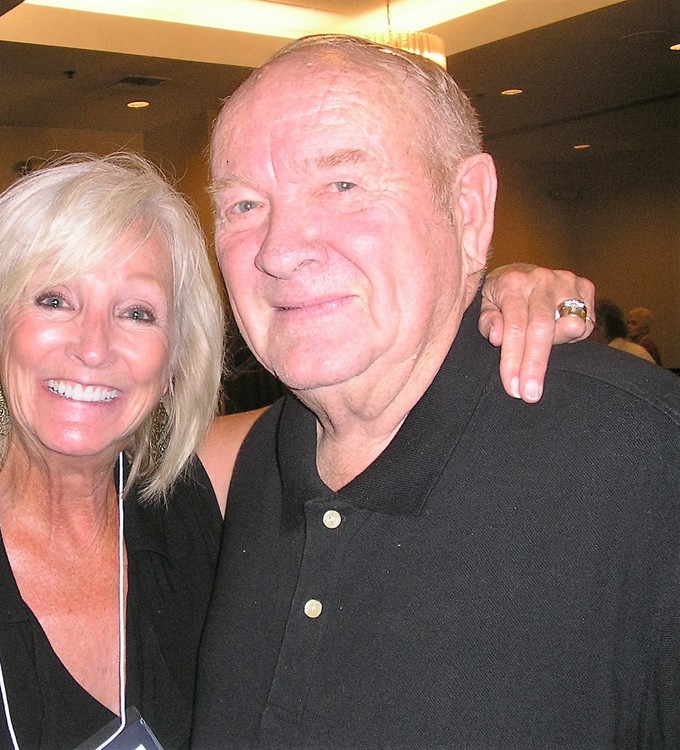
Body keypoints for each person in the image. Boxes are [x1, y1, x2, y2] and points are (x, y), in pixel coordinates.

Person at [0, 156, 592, 750]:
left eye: (137, 312)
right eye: (54, 300)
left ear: (174, 358)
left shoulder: (215, 483)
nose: (94, 347)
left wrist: (494, 296)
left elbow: (387, 391)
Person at [191, 35, 680, 749]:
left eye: (343, 184)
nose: (279, 249)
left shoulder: (642, 456)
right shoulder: (250, 469)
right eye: (242, 204)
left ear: (469, 209)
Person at [595, 299, 657, 363]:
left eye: (634, 323)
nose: (629, 326)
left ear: (645, 327)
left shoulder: (645, 348)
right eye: (628, 323)